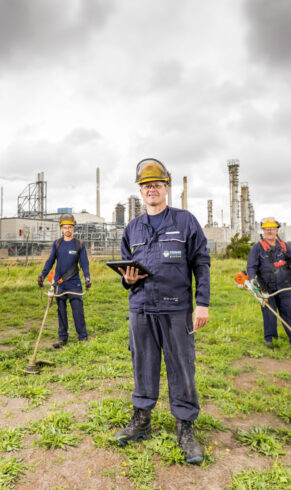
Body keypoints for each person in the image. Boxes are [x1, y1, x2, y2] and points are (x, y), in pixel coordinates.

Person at [114, 158, 210, 464]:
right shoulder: (132, 228)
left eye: (156, 184)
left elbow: (201, 263)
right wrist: (127, 280)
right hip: (141, 308)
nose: (151, 189)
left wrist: (203, 303)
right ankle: (142, 420)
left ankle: (185, 428)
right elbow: (126, 270)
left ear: (166, 188)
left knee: (182, 367)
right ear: (140, 192)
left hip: (176, 308)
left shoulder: (185, 222)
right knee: (143, 364)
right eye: (145, 186)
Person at [247, 217, 291, 349]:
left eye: (272, 229)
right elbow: (251, 267)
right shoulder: (257, 248)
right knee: (269, 315)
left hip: (285, 287)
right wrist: (252, 280)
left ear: (277, 230)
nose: (269, 231)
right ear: (263, 231)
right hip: (266, 288)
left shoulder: (285, 247)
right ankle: (271, 341)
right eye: (267, 229)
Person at [37, 213, 91, 348]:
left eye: (70, 227)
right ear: (61, 228)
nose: (67, 230)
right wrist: (42, 275)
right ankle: (63, 338)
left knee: (77, 311)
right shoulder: (57, 244)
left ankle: (82, 337)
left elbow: (84, 263)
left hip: (74, 283)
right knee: (61, 311)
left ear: (74, 228)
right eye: (65, 227)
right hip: (60, 283)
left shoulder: (79, 244)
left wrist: (87, 277)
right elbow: (50, 261)